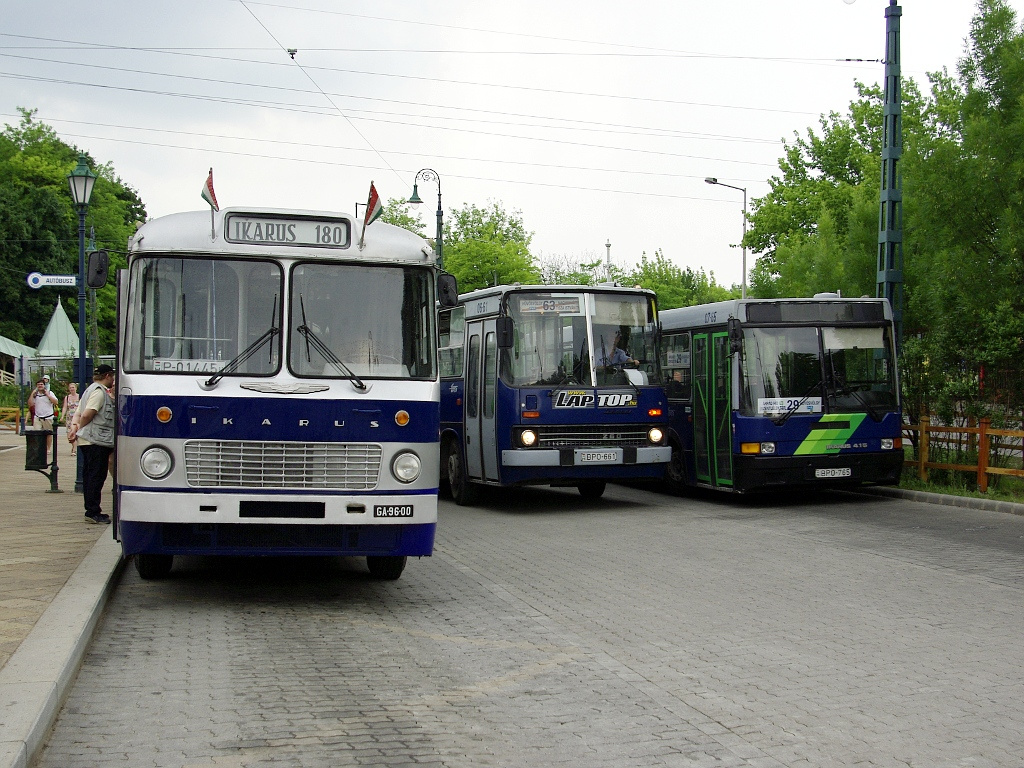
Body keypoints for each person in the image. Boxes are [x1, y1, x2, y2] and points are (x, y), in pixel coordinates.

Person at [69, 365, 116, 524]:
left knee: (90, 476)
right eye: (113, 376)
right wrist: (81, 428)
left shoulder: (89, 390)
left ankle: (91, 509)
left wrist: (75, 428)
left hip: (89, 441)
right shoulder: (99, 392)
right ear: (108, 375)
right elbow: (88, 413)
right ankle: (93, 511)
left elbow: (78, 411)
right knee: (96, 476)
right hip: (95, 440)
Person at [30, 378, 59, 453]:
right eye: (38, 384)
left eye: (41, 384)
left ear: (44, 385)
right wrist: (32, 394)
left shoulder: (49, 393)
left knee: (48, 434)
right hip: (38, 417)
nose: (40, 386)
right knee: (37, 433)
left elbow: (56, 402)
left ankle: (48, 448)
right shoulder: (35, 395)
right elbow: (30, 404)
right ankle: (39, 448)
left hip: (48, 417)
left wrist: (48, 395)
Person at [62, 382, 80, 456]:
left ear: (76, 388)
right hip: (69, 418)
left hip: (78, 417)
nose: (72, 389)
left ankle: (74, 449)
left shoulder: (79, 396)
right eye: (70, 388)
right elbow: (65, 407)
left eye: (73, 387)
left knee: (76, 433)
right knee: (69, 435)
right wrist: (62, 416)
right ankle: (74, 446)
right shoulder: (67, 397)